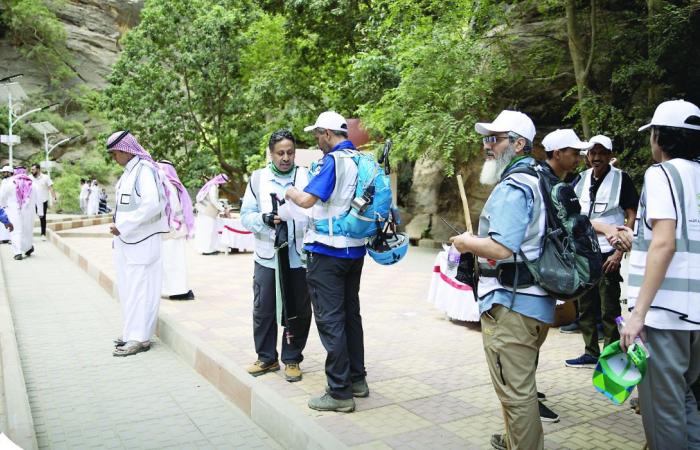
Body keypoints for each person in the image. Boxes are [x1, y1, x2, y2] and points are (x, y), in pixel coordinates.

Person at [450, 110, 553, 450]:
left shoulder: (514, 186)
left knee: (516, 392)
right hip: (536, 302)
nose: (487, 146)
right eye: (485, 139)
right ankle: (512, 440)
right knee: (518, 385)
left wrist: (465, 243)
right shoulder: (541, 177)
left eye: (495, 139)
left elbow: (501, 247)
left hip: (512, 305)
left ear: (519, 143)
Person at [610, 100, 700, 450]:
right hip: (696, 321)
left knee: (661, 414)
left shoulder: (661, 174)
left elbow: (665, 244)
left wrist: (637, 315)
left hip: (666, 317)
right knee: (686, 401)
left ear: (661, 137)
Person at [285, 111, 368, 413]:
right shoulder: (361, 159)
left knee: (330, 319)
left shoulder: (334, 161)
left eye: (317, 135)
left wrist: (291, 191)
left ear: (327, 133)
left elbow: (308, 200)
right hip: (354, 250)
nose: (316, 141)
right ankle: (357, 380)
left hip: (327, 251)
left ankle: (339, 392)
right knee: (350, 316)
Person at [241, 129, 312, 382]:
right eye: (280, 153)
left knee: (299, 309)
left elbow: (317, 210)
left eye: (290, 152)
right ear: (271, 154)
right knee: (264, 308)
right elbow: (245, 215)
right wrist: (264, 219)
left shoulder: (306, 176)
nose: (285, 157)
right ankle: (266, 357)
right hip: (267, 256)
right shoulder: (258, 179)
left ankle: (292, 358)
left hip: (298, 256)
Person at [564, 134, 638, 369]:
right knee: (585, 305)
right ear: (587, 156)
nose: (596, 157)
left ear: (609, 155)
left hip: (610, 252)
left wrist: (619, 253)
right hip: (584, 251)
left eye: (601, 153)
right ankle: (590, 352)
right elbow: (573, 214)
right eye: (592, 153)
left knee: (609, 307)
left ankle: (611, 355)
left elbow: (632, 215)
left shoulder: (621, 178)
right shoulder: (580, 180)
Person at [108, 130, 169, 357]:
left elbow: (152, 204)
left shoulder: (144, 171)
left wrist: (124, 225)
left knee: (141, 288)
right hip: (128, 240)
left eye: (115, 153)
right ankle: (130, 332)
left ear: (125, 150)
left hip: (142, 240)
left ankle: (140, 338)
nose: (114, 158)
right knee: (128, 288)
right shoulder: (129, 173)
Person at [158, 160, 195, 301]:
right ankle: (178, 291)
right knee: (175, 261)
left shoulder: (164, 184)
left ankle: (171, 289)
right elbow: (175, 207)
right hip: (174, 229)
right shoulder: (170, 185)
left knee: (169, 261)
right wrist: (178, 224)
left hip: (167, 230)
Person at [0, 167, 37, 260]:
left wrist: (4, 207)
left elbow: (2, 198)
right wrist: (40, 212)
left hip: (13, 211)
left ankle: (18, 253)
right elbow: (37, 200)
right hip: (29, 212)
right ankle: (28, 248)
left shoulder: (9, 183)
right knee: (27, 231)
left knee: (15, 231)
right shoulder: (32, 183)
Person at [194, 173, 228, 255]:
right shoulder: (213, 187)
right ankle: (206, 250)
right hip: (207, 212)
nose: (225, 184)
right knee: (207, 232)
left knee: (211, 231)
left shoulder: (211, 185)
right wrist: (223, 209)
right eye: (224, 182)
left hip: (205, 212)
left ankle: (212, 248)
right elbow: (213, 200)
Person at [30, 163, 57, 241]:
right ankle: (29, 234)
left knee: (43, 218)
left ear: (38, 169)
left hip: (43, 201)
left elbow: (51, 188)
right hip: (32, 201)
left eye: (33, 169)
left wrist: (54, 198)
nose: (31, 171)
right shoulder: (29, 178)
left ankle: (43, 234)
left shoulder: (45, 177)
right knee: (30, 218)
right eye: (31, 169)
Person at [0, 166, 14, 244]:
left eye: (4, 172)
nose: (3, 173)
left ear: (9, 173)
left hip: (10, 205)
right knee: (3, 222)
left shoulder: (12, 181)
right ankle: (4, 238)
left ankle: (11, 238)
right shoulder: (4, 181)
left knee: (11, 221)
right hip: (4, 205)